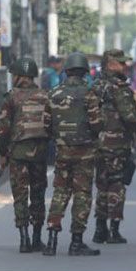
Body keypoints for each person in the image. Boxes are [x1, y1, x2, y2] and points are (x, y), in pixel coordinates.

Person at [90, 49, 136, 245]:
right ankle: (114, 230)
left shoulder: (96, 87)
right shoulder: (119, 88)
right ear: (111, 65)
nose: (125, 67)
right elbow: (131, 118)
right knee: (117, 186)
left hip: (98, 144)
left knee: (102, 185)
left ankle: (99, 228)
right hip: (116, 144)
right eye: (121, 63)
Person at [44, 53, 102, 257]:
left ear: (66, 70)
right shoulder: (89, 93)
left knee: (60, 192)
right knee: (82, 195)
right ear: (85, 71)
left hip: (62, 151)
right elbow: (96, 124)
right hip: (85, 152)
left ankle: (51, 239)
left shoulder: (53, 93)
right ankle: (76, 241)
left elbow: (46, 125)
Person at [0, 57, 51, 253]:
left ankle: (24, 239)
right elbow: (51, 124)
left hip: (18, 154)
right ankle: (37, 238)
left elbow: (2, 130)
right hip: (40, 154)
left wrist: (3, 154)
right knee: (38, 195)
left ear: (19, 76)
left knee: (20, 196)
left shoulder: (11, 98)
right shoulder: (45, 96)